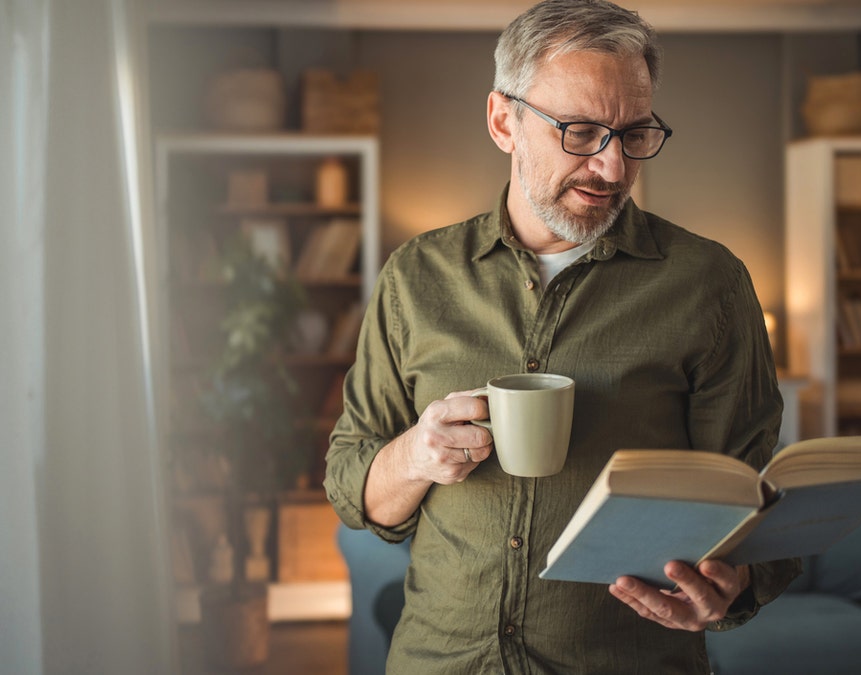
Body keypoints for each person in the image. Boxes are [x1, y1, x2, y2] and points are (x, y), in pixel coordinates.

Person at [323, 0, 800, 672]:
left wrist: (732, 586)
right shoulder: (416, 276)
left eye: (635, 133)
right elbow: (350, 484)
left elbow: (755, 496)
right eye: (580, 132)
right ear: (503, 121)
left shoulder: (710, 283)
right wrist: (414, 456)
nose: (612, 169)